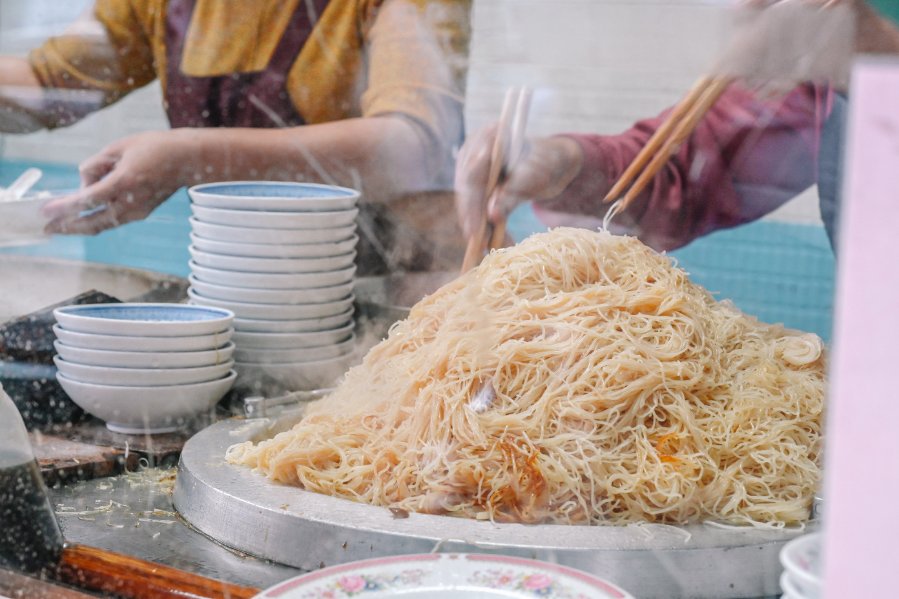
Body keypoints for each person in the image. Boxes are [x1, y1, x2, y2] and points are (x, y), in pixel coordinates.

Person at [0, 0, 471, 248]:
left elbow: (412, 148)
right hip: (252, 279)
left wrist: (194, 156)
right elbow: (48, 88)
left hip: (400, 280)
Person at [454, 0, 899, 255]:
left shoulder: (855, 24)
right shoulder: (817, 67)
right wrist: (562, 163)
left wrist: (879, 48)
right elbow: (686, 172)